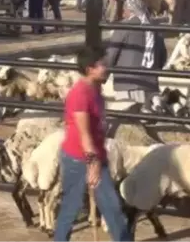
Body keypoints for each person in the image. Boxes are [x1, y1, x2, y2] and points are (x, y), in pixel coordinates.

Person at [54, 46, 131, 242]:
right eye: (102, 64)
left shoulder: (96, 89)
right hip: (79, 159)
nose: (107, 67)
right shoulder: (80, 95)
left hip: (95, 156)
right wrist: (93, 163)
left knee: (112, 208)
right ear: (90, 69)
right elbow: (84, 134)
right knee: (70, 209)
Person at [103, 0, 167, 104]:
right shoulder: (155, 29)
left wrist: (102, 77)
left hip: (127, 84)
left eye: (124, 11)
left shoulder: (124, 27)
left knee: (129, 117)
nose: (123, 15)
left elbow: (112, 54)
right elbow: (163, 57)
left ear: (130, 11)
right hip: (150, 86)